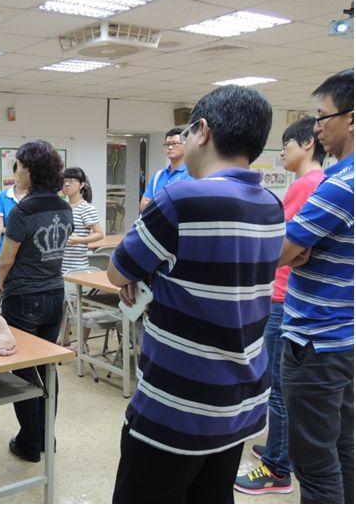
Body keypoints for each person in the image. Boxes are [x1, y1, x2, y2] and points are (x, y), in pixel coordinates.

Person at [108, 85, 284, 503]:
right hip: (241, 400)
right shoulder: (270, 204)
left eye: (184, 133)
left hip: (179, 404)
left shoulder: (183, 197)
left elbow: (118, 271)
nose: (181, 141)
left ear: (201, 131)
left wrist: (142, 272)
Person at [234, 116, 326, 495]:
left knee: (278, 389)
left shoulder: (306, 184)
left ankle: (276, 467)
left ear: (307, 144)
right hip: (294, 294)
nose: (282, 153)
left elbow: (281, 246)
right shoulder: (321, 183)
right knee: (280, 385)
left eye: (287, 145)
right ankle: (278, 449)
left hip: (283, 296)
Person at [278, 68, 353, 504]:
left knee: (313, 463)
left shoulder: (337, 186)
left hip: (314, 341)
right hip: (343, 339)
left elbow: (280, 253)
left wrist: (291, 246)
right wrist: (293, 246)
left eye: (323, 117)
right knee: (341, 448)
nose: (317, 127)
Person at [0, 140, 73, 463]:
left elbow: (6, 259)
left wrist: (1, 285)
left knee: (23, 375)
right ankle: (46, 438)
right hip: (55, 296)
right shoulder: (64, 206)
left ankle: (29, 444)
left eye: (17, 166)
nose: (14, 173)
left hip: (24, 299)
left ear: (29, 170)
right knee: (47, 370)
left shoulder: (22, 210)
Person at [58, 166, 104, 346]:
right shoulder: (62, 206)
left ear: (82, 185)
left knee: (82, 305)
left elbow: (100, 234)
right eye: (64, 180)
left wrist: (79, 240)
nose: (67, 184)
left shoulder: (86, 208)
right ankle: (64, 336)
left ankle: (82, 343)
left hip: (78, 266)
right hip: (62, 265)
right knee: (64, 304)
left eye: (71, 181)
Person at [138, 127, 192, 213]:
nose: (170, 147)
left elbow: (187, 206)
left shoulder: (192, 174)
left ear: (186, 145)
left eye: (175, 143)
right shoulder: (158, 176)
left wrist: (156, 205)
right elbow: (143, 205)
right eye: (167, 144)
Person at [0, 161, 27, 273]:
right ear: (14, 174)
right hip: (5, 252)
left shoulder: (35, 196)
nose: (20, 177)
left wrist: (7, 229)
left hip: (29, 254)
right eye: (18, 173)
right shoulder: (3, 196)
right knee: (4, 288)